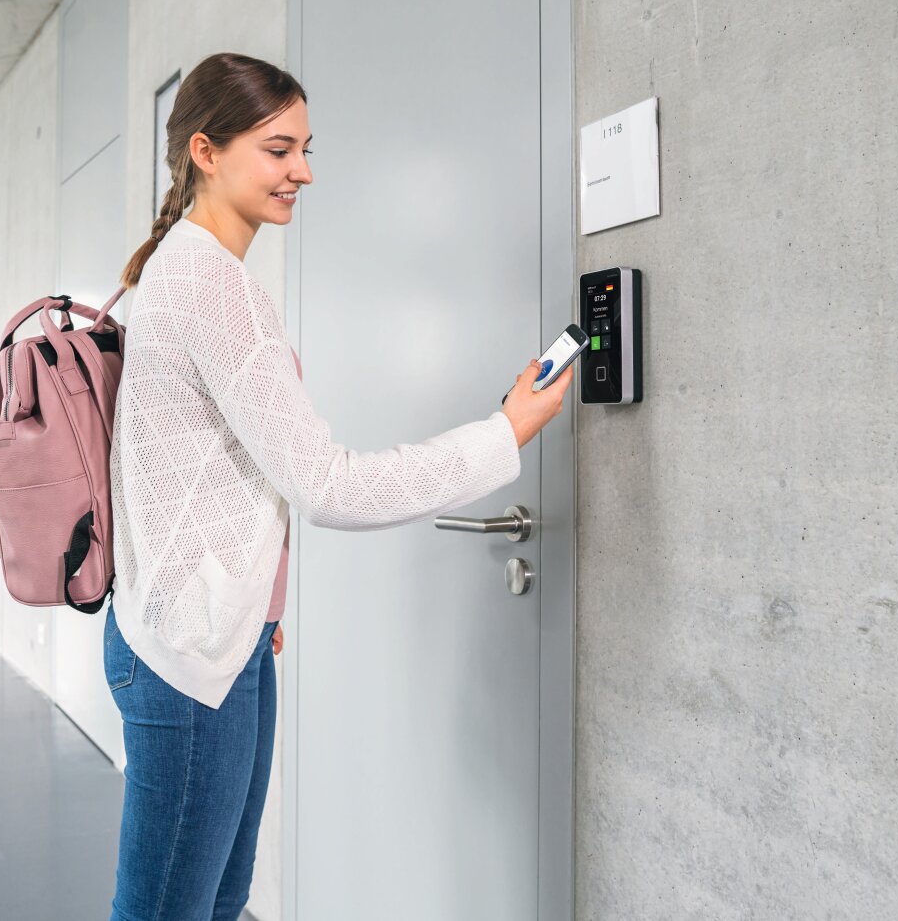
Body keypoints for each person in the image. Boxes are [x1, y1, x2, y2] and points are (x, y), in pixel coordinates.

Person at [103, 52, 573, 921]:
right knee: (170, 910)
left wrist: (261, 600)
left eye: (307, 148)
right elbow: (325, 486)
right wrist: (501, 435)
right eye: (279, 149)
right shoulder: (211, 287)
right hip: (188, 655)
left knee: (216, 900)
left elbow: (211, 469)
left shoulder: (181, 269)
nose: (303, 172)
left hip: (218, 633)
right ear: (205, 150)